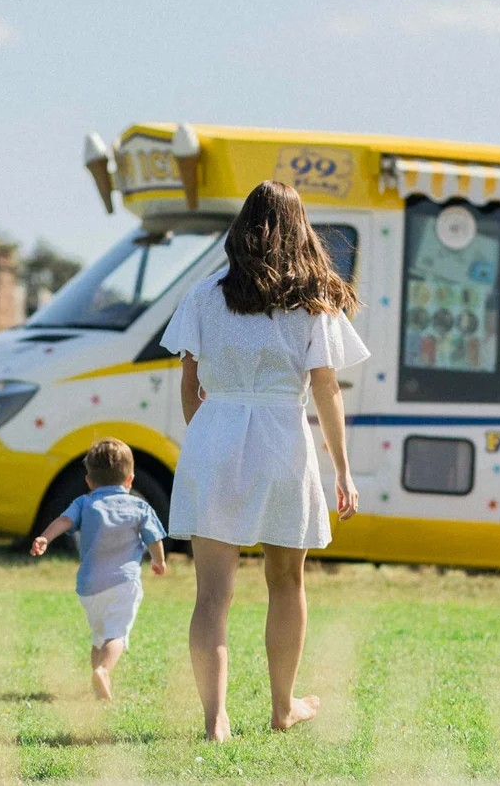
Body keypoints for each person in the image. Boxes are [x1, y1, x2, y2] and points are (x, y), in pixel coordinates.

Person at [160, 180, 367, 741]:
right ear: (300, 231)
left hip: (215, 435)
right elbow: (327, 389)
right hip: (282, 437)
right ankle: (282, 708)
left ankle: (215, 720)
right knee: (286, 582)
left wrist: (205, 437)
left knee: (212, 594)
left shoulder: (205, 295)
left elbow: (190, 381)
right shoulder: (314, 301)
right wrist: (343, 469)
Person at [30, 438, 167, 700]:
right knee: (116, 635)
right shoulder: (139, 506)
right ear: (130, 480)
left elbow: (63, 520)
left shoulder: (84, 502)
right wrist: (159, 562)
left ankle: (97, 675)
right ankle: (103, 671)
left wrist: (45, 538)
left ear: (89, 481)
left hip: (89, 588)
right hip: (123, 583)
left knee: (98, 636)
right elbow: (154, 538)